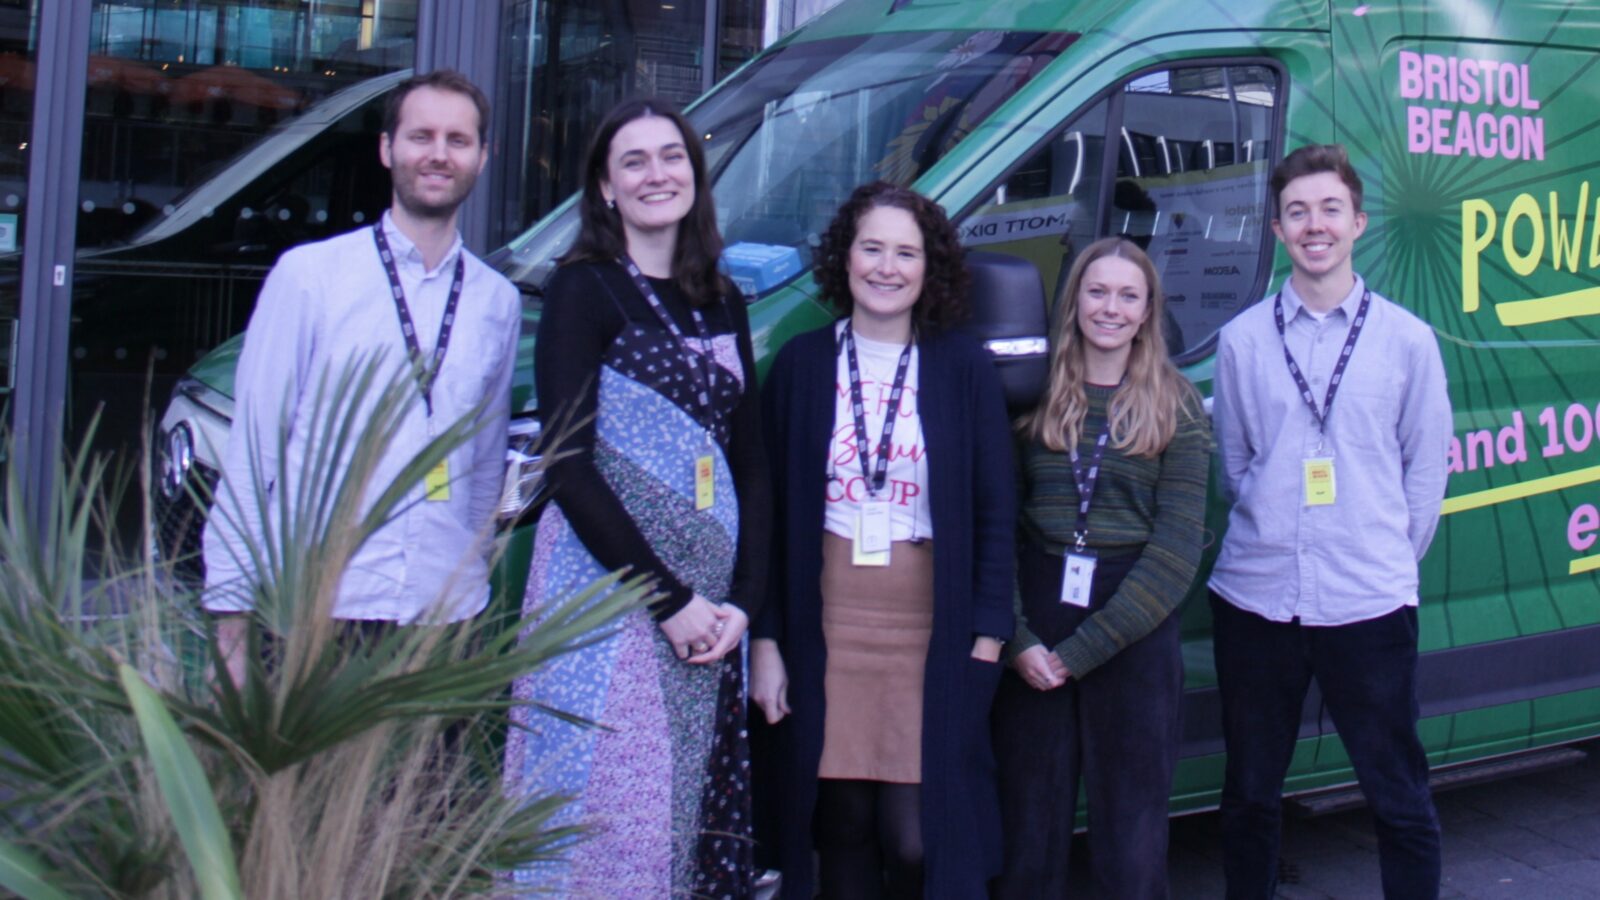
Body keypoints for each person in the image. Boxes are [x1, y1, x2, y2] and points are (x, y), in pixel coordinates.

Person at [502, 98, 769, 897]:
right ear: (606, 188)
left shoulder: (723, 296)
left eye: (672, 156)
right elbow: (569, 465)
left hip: (712, 622)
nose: (658, 174)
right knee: (605, 821)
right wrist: (668, 599)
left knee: (683, 814)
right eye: (635, 161)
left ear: (696, 173)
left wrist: (740, 605)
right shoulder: (582, 291)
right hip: (609, 602)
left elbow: (752, 463)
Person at [201, 70, 519, 673]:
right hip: (317, 611)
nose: (438, 154)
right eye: (420, 136)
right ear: (386, 148)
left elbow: (482, 463)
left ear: (482, 157)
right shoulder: (310, 278)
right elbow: (254, 451)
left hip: (445, 618)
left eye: (458, 140)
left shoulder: (496, 302)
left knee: (431, 775)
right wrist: (231, 616)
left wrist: (469, 568)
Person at [751, 181, 1015, 899]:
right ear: (845, 257)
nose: (887, 267)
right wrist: (766, 641)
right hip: (824, 627)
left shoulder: (961, 367)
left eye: (906, 252)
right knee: (836, 824)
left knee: (916, 839)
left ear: (930, 268)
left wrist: (989, 637)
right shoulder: (802, 366)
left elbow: (996, 509)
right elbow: (768, 523)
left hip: (930, 630)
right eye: (872, 248)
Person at [1208, 143, 1452, 899]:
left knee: (1398, 795)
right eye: (1297, 212)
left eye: (1330, 209)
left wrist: (1377, 552)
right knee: (1250, 793)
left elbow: (1424, 473)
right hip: (1257, 599)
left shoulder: (1408, 341)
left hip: (1367, 603)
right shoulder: (1242, 340)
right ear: (1278, 230)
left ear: (1359, 223)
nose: (1315, 225)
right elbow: (1237, 465)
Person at [991, 237, 1211, 898]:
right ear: (1073, 300)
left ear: (1147, 311)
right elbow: (996, 528)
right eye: (1096, 291)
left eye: (1127, 295)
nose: (1109, 308)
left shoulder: (1178, 406)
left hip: (1134, 627)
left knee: (1132, 838)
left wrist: (1079, 653)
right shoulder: (1029, 396)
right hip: (1038, 616)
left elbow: (1176, 554)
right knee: (1027, 828)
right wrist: (1020, 639)